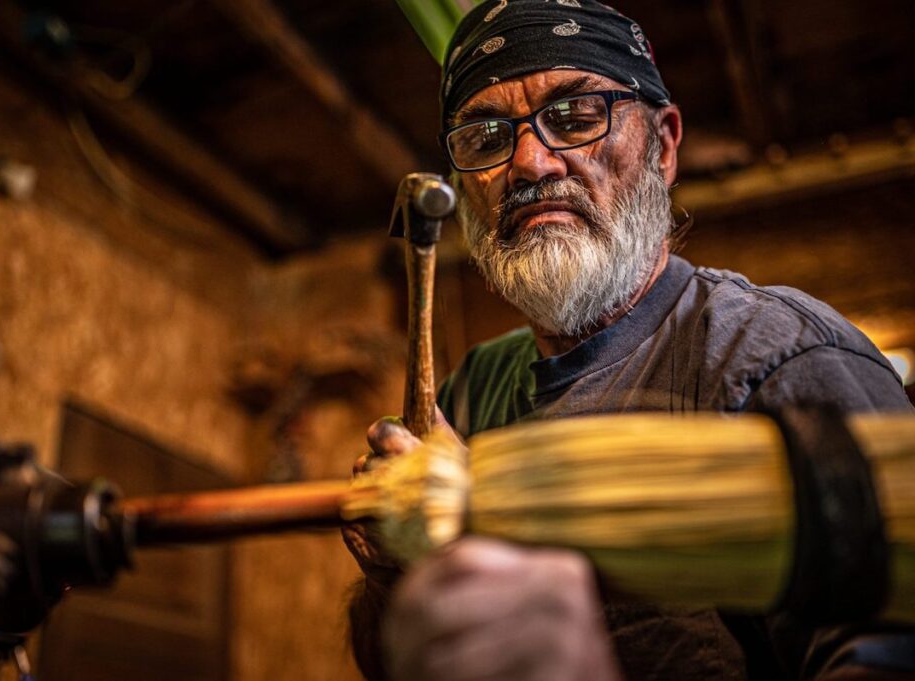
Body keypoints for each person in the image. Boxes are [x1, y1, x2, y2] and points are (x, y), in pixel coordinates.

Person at [342, 1, 915, 679]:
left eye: (576, 115)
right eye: (485, 136)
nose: (529, 162)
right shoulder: (473, 389)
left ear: (664, 147)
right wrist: (393, 572)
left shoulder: (781, 358)